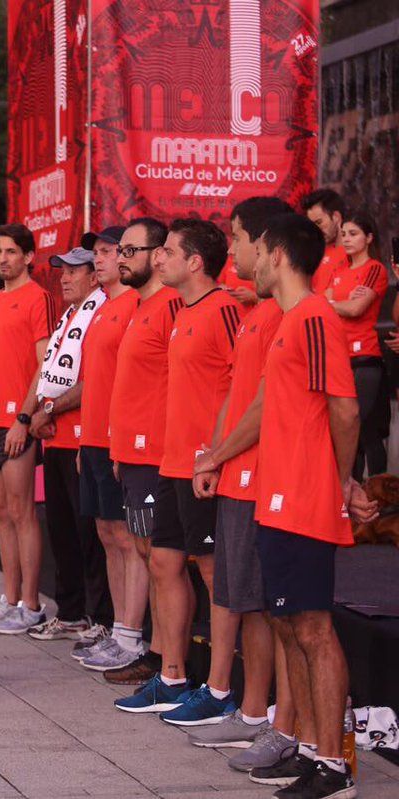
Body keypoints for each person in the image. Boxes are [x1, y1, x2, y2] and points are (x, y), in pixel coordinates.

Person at [245, 212, 377, 798]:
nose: (244, 258)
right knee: (288, 622)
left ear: (276, 255)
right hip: (276, 495)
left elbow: (345, 409)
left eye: (251, 247)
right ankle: (306, 747)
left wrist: (342, 481)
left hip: (303, 494)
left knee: (314, 627)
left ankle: (335, 765)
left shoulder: (317, 315)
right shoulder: (289, 320)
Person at [187, 197, 300, 773]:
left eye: (236, 239)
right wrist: (212, 456)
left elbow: (263, 407)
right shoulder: (257, 312)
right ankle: (254, 712)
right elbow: (233, 396)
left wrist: (220, 455)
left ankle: (276, 720)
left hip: (263, 479)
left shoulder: (285, 314)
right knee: (243, 600)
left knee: (266, 607)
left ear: (265, 245)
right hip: (235, 474)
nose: (230, 249)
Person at [114, 219, 240, 716]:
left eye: (167, 251)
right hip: (170, 461)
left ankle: (220, 689)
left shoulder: (224, 308)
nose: (158, 258)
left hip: (203, 465)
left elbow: (243, 383)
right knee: (164, 563)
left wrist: (216, 452)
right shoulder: (183, 311)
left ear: (195, 262)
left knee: (214, 575)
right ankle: (172, 675)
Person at [90, 218, 180, 684]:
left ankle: (166, 663)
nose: (121, 257)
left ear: (160, 254)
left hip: (158, 455)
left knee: (159, 560)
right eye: (118, 250)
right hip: (131, 453)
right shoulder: (139, 307)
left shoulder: (171, 305)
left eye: (131, 249)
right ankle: (158, 658)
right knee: (147, 555)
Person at [26, 246, 113, 641]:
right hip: (57, 436)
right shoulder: (69, 315)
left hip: (83, 436)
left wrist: (49, 410)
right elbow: (50, 374)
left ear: (94, 277)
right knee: (62, 531)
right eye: (62, 270)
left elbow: (92, 380)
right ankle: (72, 611)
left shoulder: (101, 312)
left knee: (91, 535)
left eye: (74, 271)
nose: (63, 277)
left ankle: (102, 619)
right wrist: (41, 411)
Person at [0, 223, 53, 635]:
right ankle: (9, 598)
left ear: (28, 257)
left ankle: (32, 604)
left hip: (14, 424)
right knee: (0, 514)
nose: (3, 258)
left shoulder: (38, 298)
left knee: (22, 514)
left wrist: (23, 417)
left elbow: (45, 364)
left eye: (10, 252)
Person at [71, 225, 146, 667]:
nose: (97, 259)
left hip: (121, 440)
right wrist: (86, 439)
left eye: (105, 251)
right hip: (95, 438)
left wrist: (118, 439)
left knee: (127, 536)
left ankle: (132, 634)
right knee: (106, 533)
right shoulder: (102, 306)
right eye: (94, 252)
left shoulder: (136, 304)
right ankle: (119, 629)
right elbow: (94, 382)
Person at [326, 210, 388, 480]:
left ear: (369, 237)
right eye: (344, 234)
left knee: (361, 426)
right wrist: (340, 304)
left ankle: (382, 497)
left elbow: (356, 309)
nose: (347, 239)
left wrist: (335, 304)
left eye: (354, 234)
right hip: (340, 357)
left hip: (365, 359)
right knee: (345, 427)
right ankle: (352, 495)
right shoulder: (339, 271)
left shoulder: (374, 268)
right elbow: (322, 304)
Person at [300, 189, 349, 294]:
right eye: (312, 225)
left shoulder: (355, 253)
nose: (316, 229)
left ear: (336, 217)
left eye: (319, 222)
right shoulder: (313, 254)